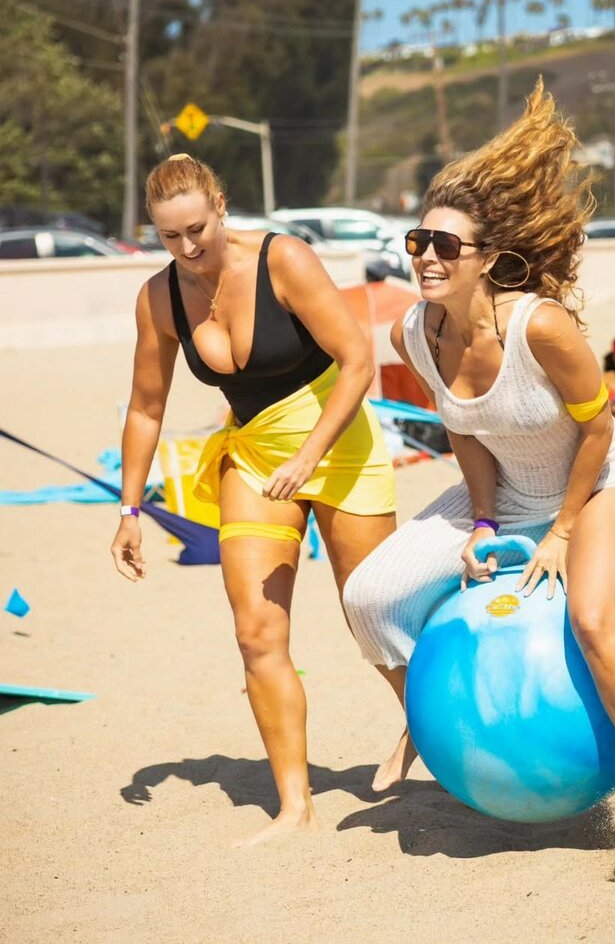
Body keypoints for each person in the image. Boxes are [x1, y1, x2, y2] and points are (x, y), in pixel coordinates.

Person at [343, 80, 615, 885]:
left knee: (593, 620)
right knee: (369, 598)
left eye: (445, 245)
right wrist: (487, 524)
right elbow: (464, 430)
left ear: (489, 259)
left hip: (598, 488)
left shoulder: (542, 327)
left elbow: (598, 431)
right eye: (418, 241)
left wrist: (561, 530)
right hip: (504, 496)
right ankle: (426, 719)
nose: (426, 256)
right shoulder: (414, 333)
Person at [110, 154, 396, 845]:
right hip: (256, 457)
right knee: (257, 634)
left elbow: (359, 360)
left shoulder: (282, 259)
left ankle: (434, 731)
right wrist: (129, 511)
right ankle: (296, 807)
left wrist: (309, 456)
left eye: (197, 230)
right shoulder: (159, 297)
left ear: (220, 206)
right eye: (170, 237)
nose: (187, 248)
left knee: (378, 620)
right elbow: (146, 408)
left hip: (339, 446)